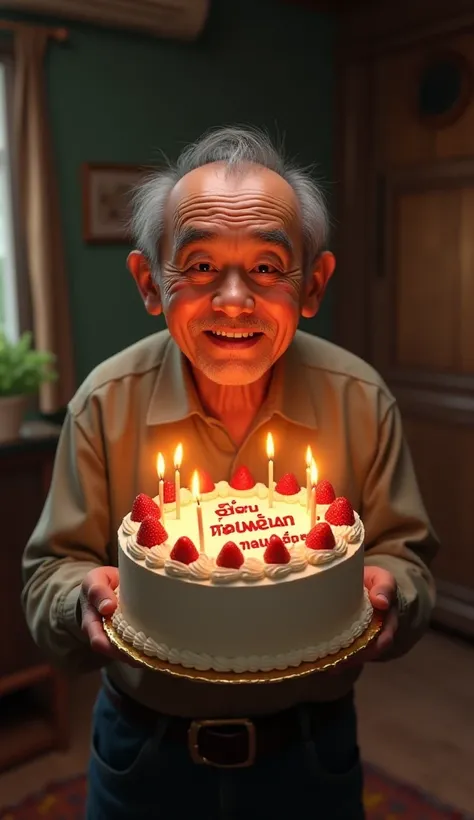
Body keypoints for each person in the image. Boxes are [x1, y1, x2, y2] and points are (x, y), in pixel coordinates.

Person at [21, 126, 438, 820]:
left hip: (311, 752)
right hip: (142, 752)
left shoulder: (360, 400)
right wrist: (79, 600)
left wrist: (395, 591)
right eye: (202, 267)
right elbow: (48, 576)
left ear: (314, 284)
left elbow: (408, 555)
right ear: (151, 283)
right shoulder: (105, 401)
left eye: (270, 267)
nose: (236, 300)